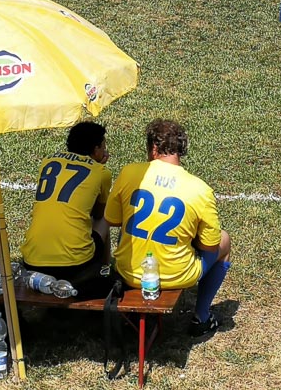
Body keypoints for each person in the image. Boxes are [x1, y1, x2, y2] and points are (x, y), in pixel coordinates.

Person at [105, 119, 231, 337]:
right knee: (224, 240)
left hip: (128, 272)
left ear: (154, 148)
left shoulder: (129, 173)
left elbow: (113, 220)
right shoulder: (200, 189)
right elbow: (210, 246)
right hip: (177, 276)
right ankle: (201, 317)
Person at [21, 122, 112, 296]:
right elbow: (99, 214)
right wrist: (98, 165)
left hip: (32, 261)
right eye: (103, 146)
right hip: (75, 265)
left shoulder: (47, 162)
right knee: (107, 215)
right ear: (96, 149)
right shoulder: (101, 172)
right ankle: (104, 269)